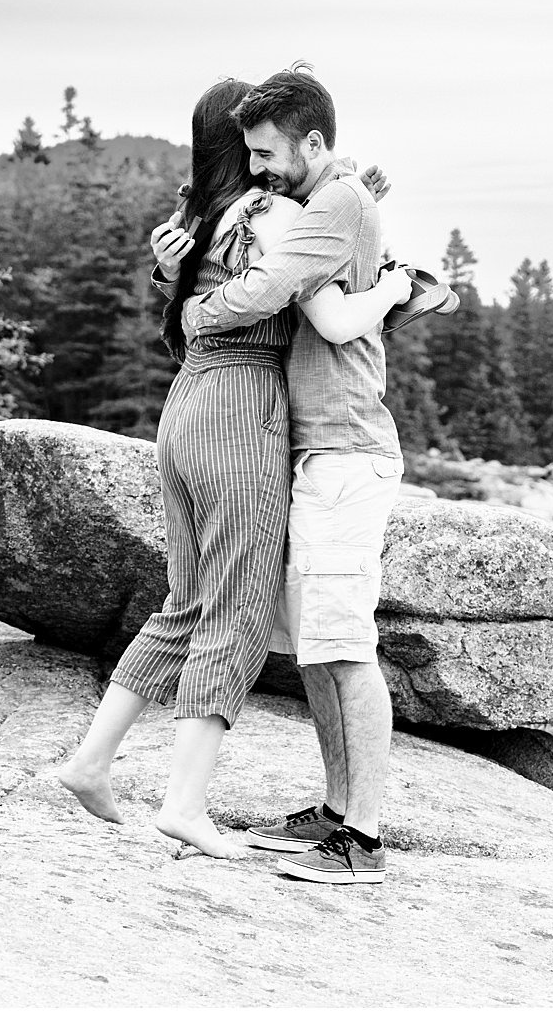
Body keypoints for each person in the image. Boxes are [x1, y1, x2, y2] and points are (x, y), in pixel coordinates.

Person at [56, 78, 411, 860]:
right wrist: (389, 280)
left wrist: (174, 289)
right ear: (241, 147)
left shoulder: (197, 221)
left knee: (185, 603)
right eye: (254, 146)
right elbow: (307, 289)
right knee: (239, 608)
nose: (265, 160)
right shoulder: (276, 213)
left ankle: (89, 761)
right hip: (242, 407)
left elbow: (191, 303)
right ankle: (184, 804)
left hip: (186, 405)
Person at [174, 64, 409, 886]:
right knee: (316, 647)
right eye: (251, 155)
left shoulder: (338, 202)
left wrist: (195, 310)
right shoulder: (323, 203)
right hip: (317, 451)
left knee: (346, 648)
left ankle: (365, 841)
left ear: (314, 142)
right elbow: (335, 305)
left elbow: (272, 286)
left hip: (348, 452)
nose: (261, 169)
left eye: (270, 154)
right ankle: (338, 811)